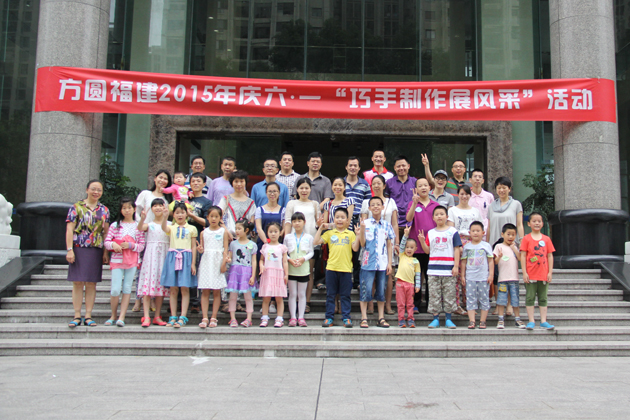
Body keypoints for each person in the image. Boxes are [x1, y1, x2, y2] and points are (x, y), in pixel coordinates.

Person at [65, 180, 110, 328]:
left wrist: (105, 252)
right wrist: (69, 249)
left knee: (91, 283)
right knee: (77, 282)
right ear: (87, 190)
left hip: (96, 249)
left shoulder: (104, 210)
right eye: (93, 189)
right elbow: (69, 229)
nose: (96, 192)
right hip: (79, 247)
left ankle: (88, 315)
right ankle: (77, 315)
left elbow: (106, 232)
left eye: (99, 190)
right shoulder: (76, 207)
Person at [132, 169, 172, 312]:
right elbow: (137, 211)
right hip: (145, 232)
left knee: (157, 269)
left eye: (166, 179)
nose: (162, 181)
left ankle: (154, 299)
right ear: (155, 179)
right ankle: (138, 298)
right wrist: (141, 223)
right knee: (143, 268)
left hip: (160, 235)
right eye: (160, 177)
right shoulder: (146, 194)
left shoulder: (168, 199)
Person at [315, 207, 361, 328]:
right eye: (337, 217)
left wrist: (358, 235)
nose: (340, 220)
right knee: (331, 295)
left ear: (347, 221)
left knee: (345, 295)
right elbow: (316, 241)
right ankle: (329, 318)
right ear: (333, 219)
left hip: (346, 269)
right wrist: (320, 228)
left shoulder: (350, 234)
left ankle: (346, 317)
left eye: (342, 217)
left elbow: (355, 248)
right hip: (331, 269)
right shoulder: (330, 233)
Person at [418, 205, 462, 329]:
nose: (439, 216)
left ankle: (448, 319)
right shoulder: (431, 233)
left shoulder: (452, 231)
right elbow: (427, 251)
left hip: (449, 269)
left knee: (449, 294)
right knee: (434, 295)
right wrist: (422, 241)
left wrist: (456, 266)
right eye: (436, 214)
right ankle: (435, 319)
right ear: (433, 218)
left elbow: (457, 249)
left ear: (447, 216)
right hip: (433, 269)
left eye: (442, 214)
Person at [360, 174, 399, 314]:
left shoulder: (390, 202)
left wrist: (396, 242)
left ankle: (387, 305)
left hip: (386, 243)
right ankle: (370, 305)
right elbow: (363, 223)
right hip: (369, 244)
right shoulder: (366, 202)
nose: (376, 186)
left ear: (384, 186)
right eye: (374, 183)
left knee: (387, 275)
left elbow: (394, 223)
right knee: (370, 275)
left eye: (379, 183)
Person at [103, 197, 145, 327]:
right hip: (117, 260)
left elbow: (141, 245)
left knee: (127, 288)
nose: (127, 210)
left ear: (134, 209)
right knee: (115, 289)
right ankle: (113, 315)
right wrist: (113, 245)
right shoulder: (115, 225)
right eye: (124, 208)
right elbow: (107, 241)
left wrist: (130, 245)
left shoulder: (138, 226)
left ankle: (122, 316)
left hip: (132, 261)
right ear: (120, 210)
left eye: (129, 207)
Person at [357, 197, 395, 328]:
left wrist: (389, 263)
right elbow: (362, 244)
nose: (375, 207)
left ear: (383, 207)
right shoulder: (365, 223)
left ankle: (381, 317)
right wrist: (362, 230)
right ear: (369, 208)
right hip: (368, 262)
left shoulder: (387, 225)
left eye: (378, 204)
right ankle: (364, 318)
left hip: (383, 263)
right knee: (366, 290)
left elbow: (389, 245)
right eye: (373, 205)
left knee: (381, 291)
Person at [284, 177, 320, 308]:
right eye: (301, 188)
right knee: (293, 270)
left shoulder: (315, 204)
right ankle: (293, 302)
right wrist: (286, 240)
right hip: (293, 242)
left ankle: (307, 301)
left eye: (306, 188)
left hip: (310, 241)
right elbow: (288, 221)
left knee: (308, 271)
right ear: (297, 189)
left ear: (310, 189)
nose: (304, 190)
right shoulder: (291, 203)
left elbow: (317, 222)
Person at [160, 202, 198, 328]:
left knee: (185, 288)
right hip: (173, 257)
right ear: (174, 215)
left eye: (182, 212)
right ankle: (173, 316)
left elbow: (193, 246)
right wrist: (165, 216)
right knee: (173, 289)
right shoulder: (171, 227)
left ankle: (183, 316)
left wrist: (193, 263)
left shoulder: (192, 228)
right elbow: (164, 228)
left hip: (186, 258)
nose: (180, 215)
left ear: (187, 214)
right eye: (177, 213)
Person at [448, 184, 482, 314]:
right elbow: (451, 230)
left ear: (470, 195)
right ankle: (456, 305)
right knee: (457, 275)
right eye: (462, 194)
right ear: (458, 195)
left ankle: (470, 304)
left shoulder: (475, 211)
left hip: (473, 243)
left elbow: (479, 229)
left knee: (470, 275)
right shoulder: (452, 210)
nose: (464, 196)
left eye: (467, 194)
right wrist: (458, 246)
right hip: (458, 243)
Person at [405, 178, 439, 312]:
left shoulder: (436, 205)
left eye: (426, 185)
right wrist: (414, 203)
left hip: (432, 247)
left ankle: (431, 304)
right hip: (416, 247)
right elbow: (408, 219)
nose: (423, 188)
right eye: (420, 186)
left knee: (431, 277)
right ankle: (416, 304)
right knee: (416, 277)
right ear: (416, 189)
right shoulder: (412, 203)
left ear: (430, 188)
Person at [136, 199, 170, 327]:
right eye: (155, 206)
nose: (158, 208)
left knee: (160, 286)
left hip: (164, 255)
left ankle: (157, 316)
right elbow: (140, 228)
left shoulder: (169, 224)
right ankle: (146, 316)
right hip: (150, 257)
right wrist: (142, 219)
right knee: (148, 285)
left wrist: (166, 217)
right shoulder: (149, 224)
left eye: (160, 205)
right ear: (152, 209)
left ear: (164, 207)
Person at [520, 212, 556, 330]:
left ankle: (543, 321)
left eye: (539, 221)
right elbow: (523, 256)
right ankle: (531, 321)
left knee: (543, 297)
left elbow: (549, 256)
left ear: (542, 223)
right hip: (531, 274)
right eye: (534, 221)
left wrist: (550, 272)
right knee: (530, 297)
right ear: (529, 223)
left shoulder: (546, 239)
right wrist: (524, 272)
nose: (537, 223)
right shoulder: (526, 239)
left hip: (543, 274)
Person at [184, 172, 213, 313]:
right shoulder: (184, 199)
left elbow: (208, 222)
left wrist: (192, 216)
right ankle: (181, 301)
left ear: (204, 184)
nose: (195, 183)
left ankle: (195, 301)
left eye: (198, 181)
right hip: (182, 239)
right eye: (193, 181)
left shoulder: (207, 202)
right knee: (183, 269)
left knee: (195, 269)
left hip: (197, 240)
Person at [197, 206, 230, 329]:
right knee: (205, 291)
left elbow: (225, 249)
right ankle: (205, 317)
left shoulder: (223, 232)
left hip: (218, 261)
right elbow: (202, 249)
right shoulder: (203, 232)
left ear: (220, 218)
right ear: (207, 217)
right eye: (211, 216)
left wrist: (223, 263)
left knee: (217, 291)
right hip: (206, 261)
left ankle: (214, 317)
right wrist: (200, 250)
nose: (214, 219)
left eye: (216, 216)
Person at [460, 221, 494, 329]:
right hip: (470, 277)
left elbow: (491, 261)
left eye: (478, 231)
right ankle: (472, 321)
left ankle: (483, 321)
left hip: (483, 277)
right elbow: (463, 262)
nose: (475, 233)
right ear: (469, 232)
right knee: (470, 298)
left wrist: (491, 275)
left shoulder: (486, 246)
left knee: (484, 298)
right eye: (473, 231)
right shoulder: (467, 247)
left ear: (483, 232)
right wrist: (462, 276)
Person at [226, 219, 258, 327]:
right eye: (236, 229)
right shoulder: (233, 244)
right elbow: (230, 256)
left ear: (246, 230)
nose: (237, 231)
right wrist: (228, 259)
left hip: (246, 271)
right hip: (235, 271)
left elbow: (254, 261)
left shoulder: (252, 244)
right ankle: (232, 318)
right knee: (233, 296)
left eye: (239, 228)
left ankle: (249, 318)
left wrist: (253, 275)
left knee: (248, 296)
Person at [284, 212, 314, 327]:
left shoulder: (309, 237)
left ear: (304, 222)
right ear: (291, 223)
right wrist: (289, 260)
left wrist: (303, 259)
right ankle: (293, 317)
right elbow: (284, 252)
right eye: (294, 221)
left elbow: (311, 252)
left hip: (303, 269)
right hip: (291, 269)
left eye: (299, 221)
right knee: (292, 294)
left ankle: (301, 317)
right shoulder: (287, 237)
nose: (297, 223)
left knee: (302, 294)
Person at [493, 223, 525, 329]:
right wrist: (499, 257)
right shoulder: (498, 246)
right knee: (501, 300)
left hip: (514, 278)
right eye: (508, 234)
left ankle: (518, 319)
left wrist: (514, 248)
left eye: (513, 234)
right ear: (502, 234)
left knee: (515, 299)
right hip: (502, 279)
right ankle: (500, 319)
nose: (511, 237)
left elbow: (520, 258)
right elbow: (495, 261)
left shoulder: (515, 246)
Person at [258, 222, 289, 328]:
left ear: (280, 233)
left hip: (278, 274)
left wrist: (286, 274)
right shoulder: (265, 246)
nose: (273, 234)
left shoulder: (282, 247)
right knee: (266, 298)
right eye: (270, 231)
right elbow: (261, 259)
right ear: (267, 233)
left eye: (275, 231)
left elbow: (285, 262)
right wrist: (261, 265)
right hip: (267, 273)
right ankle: (264, 318)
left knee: (279, 298)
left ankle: (279, 318)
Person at [395, 227, 421, 328]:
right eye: (407, 247)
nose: (409, 249)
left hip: (410, 285)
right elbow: (401, 246)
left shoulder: (416, 261)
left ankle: (410, 319)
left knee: (410, 303)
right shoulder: (402, 256)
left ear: (415, 249)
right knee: (401, 303)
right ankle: (401, 319)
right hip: (400, 283)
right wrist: (405, 235)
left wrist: (417, 285)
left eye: (411, 247)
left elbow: (418, 274)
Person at [217, 170, 256, 238]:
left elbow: (252, 221)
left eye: (241, 181)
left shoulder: (251, 202)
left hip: (244, 239)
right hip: (227, 237)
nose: (239, 184)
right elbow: (219, 217)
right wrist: (227, 233)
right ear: (232, 183)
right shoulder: (225, 199)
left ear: (245, 182)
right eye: (236, 181)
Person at [487, 176, 525, 245]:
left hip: (511, 244)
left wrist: (521, 241)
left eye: (504, 188)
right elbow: (489, 227)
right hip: (494, 244)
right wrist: (487, 244)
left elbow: (519, 225)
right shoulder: (491, 206)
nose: (501, 190)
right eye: (499, 188)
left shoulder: (516, 204)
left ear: (509, 189)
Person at [385, 155, 417, 235]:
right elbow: (386, 201)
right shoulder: (389, 183)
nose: (401, 168)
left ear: (408, 166)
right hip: (394, 223)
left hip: (412, 223)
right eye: (398, 166)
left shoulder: (415, 182)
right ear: (394, 168)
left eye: (403, 165)